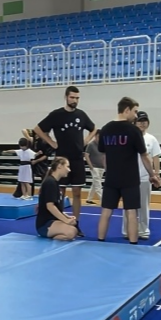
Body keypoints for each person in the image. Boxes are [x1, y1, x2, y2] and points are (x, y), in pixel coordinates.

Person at [97, 98, 161, 244]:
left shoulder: (105, 129)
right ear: (126, 110)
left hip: (111, 178)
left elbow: (104, 157)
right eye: (135, 111)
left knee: (106, 211)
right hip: (130, 178)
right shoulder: (133, 130)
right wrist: (153, 175)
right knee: (131, 212)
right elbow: (144, 156)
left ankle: (100, 241)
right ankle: (133, 245)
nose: (136, 115)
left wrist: (109, 172)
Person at [34, 86, 97, 236]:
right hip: (62, 159)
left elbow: (94, 129)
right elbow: (37, 129)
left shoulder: (81, 115)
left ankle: (76, 222)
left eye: (77, 98)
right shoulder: (57, 115)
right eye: (72, 97)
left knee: (77, 192)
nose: (75, 100)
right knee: (60, 193)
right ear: (66, 97)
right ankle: (60, 220)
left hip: (77, 158)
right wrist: (51, 142)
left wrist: (86, 140)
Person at [122, 110, 161, 240]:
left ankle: (143, 230)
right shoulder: (128, 137)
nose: (142, 124)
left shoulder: (152, 139)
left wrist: (156, 174)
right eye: (139, 121)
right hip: (129, 177)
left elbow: (155, 157)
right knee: (128, 206)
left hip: (145, 177)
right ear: (135, 122)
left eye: (144, 121)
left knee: (144, 206)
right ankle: (126, 230)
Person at [35, 157, 78, 241]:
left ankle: (56, 233)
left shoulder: (54, 183)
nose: (69, 170)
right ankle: (52, 238)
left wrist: (67, 217)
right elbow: (50, 206)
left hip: (52, 221)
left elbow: (57, 207)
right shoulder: (50, 182)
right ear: (59, 166)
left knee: (73, 225)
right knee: (71, 232)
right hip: (45, 224)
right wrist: (65, 220)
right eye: (67, 167)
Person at [84, 134, 104, 204]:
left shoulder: (102, 145)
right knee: (98, 184)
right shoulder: (91, 145)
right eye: (98, 137)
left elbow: (104, 155)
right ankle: (103, 200)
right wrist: (90, 165)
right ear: (95, 136)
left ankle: (89, 199)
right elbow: (86, 155)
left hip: (101, 167)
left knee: (95, 183)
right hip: (94, 167)